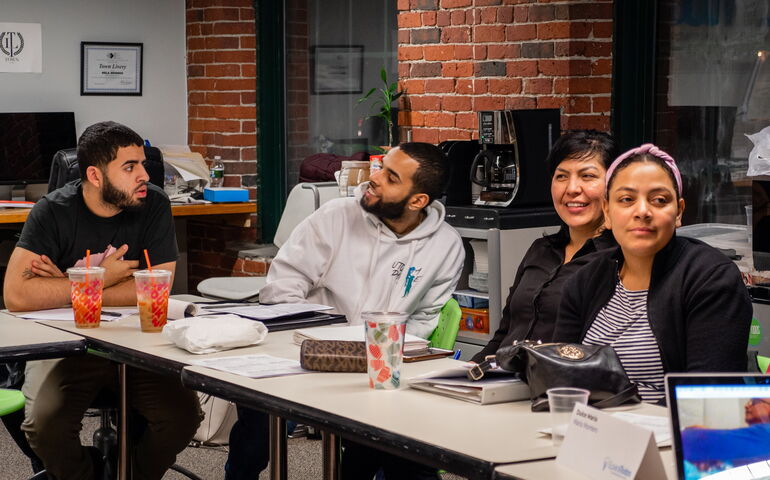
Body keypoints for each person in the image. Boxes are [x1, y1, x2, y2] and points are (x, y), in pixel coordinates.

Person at [226, 142, 465, 480]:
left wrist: (383, 357)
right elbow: (283, 285)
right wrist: (315, 342)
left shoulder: (447, 246)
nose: (375, 178)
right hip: (307, 352)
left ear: (417, 201)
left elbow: (426, 319)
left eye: (391, 177)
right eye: (381, 166)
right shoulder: (335, 216)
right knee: (256, 417)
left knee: (399, 452)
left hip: (377, 365)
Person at [3, 121, 202, 479]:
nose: (144, 175)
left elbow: (158, 287)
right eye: (130, 167)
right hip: (71, 344)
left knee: (183, 417)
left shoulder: (154, 203)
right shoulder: (52, 211)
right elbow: (17, 295)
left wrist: (64, 283)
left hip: (136, 340)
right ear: (95, 175)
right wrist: (108, 277)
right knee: (43, 424)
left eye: (143, 163)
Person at [554, 144, 752, 403]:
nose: (643, 211)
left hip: (670, 436)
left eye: (659, 200)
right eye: (626, 199)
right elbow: (560, 377)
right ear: (607, 212)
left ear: (679, 212)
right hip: (588, 429)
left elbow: (705, 396)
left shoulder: (710, 278)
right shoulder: (584, 281)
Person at [471, 130, 618, 362]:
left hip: (560, 388)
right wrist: (469, 372)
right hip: (502, 382)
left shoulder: (617, 261)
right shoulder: (541, 249)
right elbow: (504, 333)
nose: (571, 189)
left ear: (614, 186)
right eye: (561, 176)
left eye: (587, 176)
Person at [681, 398, 770, 473]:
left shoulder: (766, 433)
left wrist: (700, 433)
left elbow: (689, 440)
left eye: (754, 402)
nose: (746, 405)